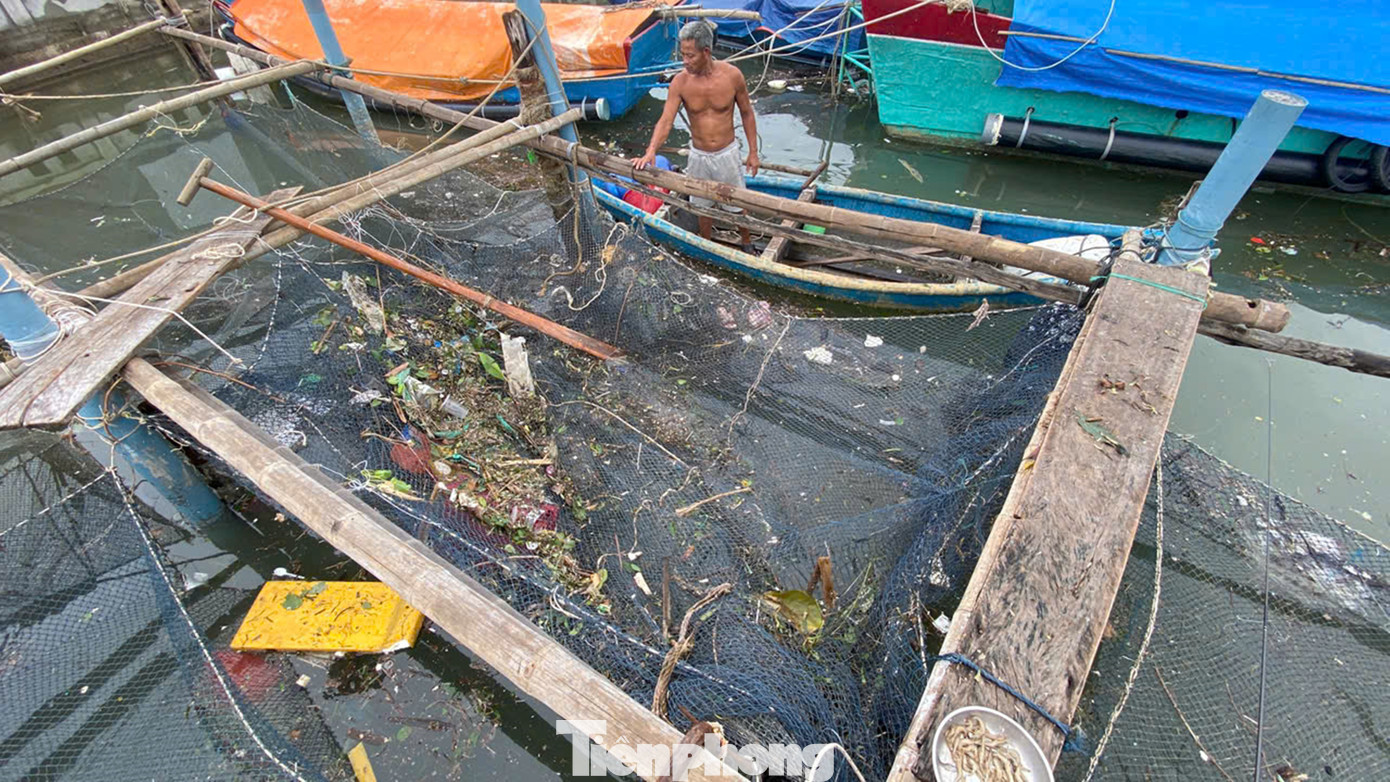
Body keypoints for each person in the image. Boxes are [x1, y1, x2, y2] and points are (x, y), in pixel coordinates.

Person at [635, 20, 759, 251]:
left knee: (737, 202)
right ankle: (706, 243)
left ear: (706, 52)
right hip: (699, 155)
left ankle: (747, 241)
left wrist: (753, 152)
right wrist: (651, 150)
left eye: (690, 55)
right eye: (683, 55)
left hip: (727, 153)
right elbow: (666, 120)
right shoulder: (680, 82)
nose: (685, 61)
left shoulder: (732, 76)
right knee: (701, 205)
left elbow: (747, 113)